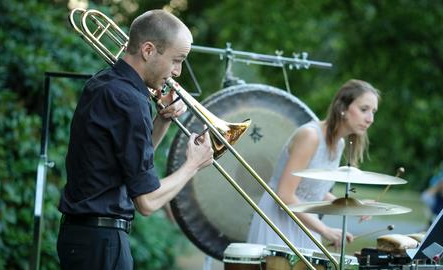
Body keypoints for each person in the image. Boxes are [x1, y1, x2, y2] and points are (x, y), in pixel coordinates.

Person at [57, 10, 214, 270]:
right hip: (101, 243)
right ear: (149, 50)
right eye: (177, 60)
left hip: (85, 239)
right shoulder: (128, 99)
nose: (177, 72)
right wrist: (192, 165)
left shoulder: (106, 82)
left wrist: (162, 120)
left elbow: (132, 165)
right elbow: (147, 201)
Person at [247, 79, 380, 250]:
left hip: (305, 222)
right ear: (343, 109)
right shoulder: (311, 136)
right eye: (364, 110)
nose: (370, 119)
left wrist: (355, 206)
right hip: (278, 221)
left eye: (373, 112)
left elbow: (314, 190)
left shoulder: (338, 143)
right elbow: (285, 195)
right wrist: (325, 230)